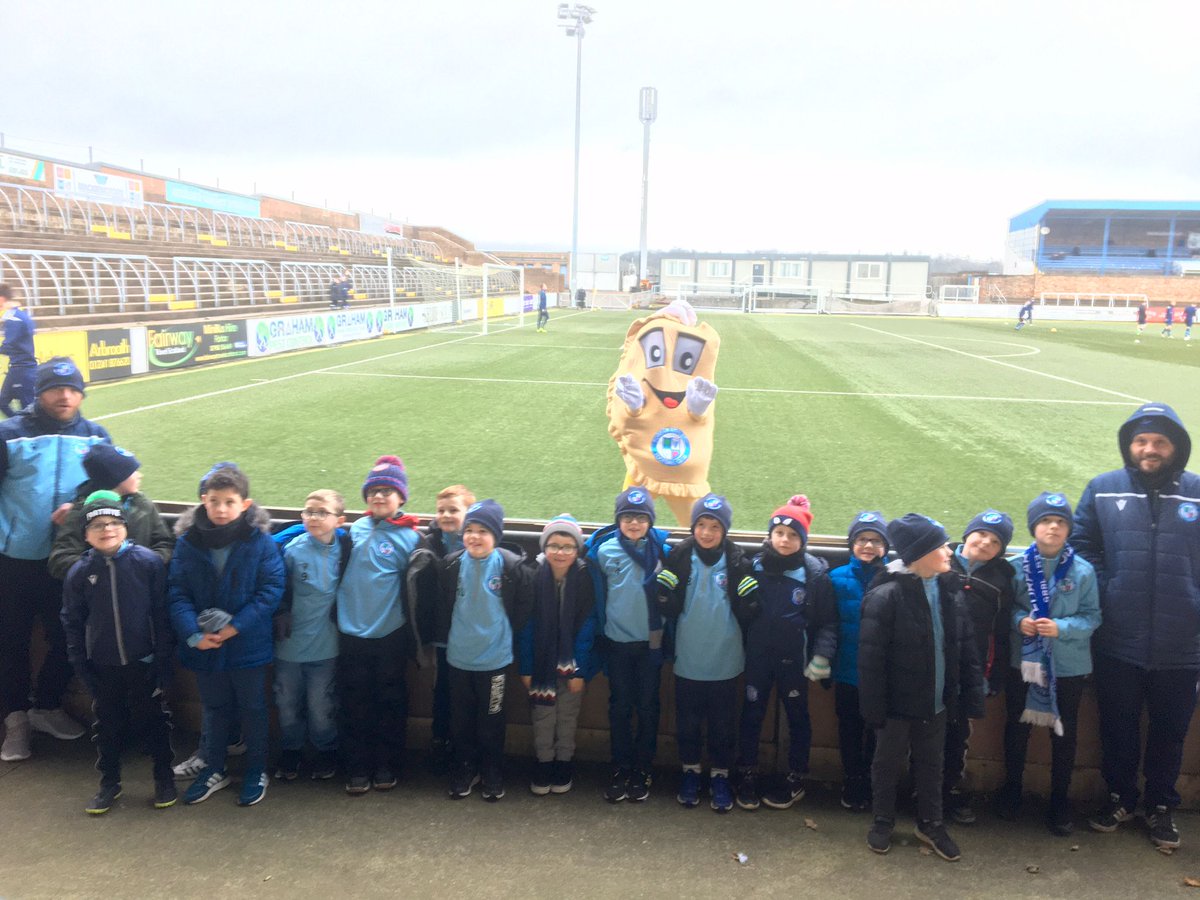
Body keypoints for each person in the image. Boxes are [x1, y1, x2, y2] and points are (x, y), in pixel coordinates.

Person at [1074, 402, 1200, 849]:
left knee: (1170, 731)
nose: (1150, 449)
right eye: (1142, 440)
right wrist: (1110, 587)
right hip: (1118, 639)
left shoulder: (1197, 492)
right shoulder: (1103, 489)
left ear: (1176, 447)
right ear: (1129, 445)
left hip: (1183, 644)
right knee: (1118, 726)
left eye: (1160, 441)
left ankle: (1161, 806)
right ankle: (1119, 797)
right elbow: (1081, 544)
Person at [0, 357, 110, 763]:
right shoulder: (9, 435)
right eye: (55, 388)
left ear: (82, 393)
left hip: (69, 562)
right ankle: (15, 723)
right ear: (38, 392)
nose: (65, 396)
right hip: (13, 560)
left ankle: (45, 706)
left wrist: (80, 509)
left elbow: (110, 496)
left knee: (72, 639)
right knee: (10, 642)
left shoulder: (96, 437)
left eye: (73, 389)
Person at [858, 514, 983, 862]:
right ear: (918, 555)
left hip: (937, 703)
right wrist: (874, 708)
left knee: (932, 764)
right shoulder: (886, 597)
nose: (948, 551)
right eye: (940, 546)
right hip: (897, 705)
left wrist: (970, 694)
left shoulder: (949, 591)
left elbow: (965, 647)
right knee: (886, 762)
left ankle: (931, 823)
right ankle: (883, 820)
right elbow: (871, 660)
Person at [168, 463, 285, 807]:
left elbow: (270, 591)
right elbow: (177, 593)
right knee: (215, 708)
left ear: (244, 505)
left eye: (229, 502)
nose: (221, 509)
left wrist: (235, 627)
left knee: (253, 708)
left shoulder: (260, 542)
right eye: (214, 501)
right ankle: (214, 768)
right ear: (203, 501)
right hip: (204, 646)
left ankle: (256, 770)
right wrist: (193, 634)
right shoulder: (188, 543)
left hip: (247, 643)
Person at [61, 491, 175, 814]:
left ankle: (163, 778)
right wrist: (82, 667)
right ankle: (109, 783)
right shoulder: (79, 573)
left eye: (113, 522)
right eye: (97, 524)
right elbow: (71, 621)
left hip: (144, 661)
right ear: (86, 534)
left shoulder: (148, 563)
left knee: (154, 722)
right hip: (103, 665)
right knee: (107, 726)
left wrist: (163, 662)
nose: (106, 529)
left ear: (125, 527)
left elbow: (162, 616)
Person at [995, 492, 1099, 836]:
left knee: (1064, 734)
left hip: (1067, 666)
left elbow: (1092, 617)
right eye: (1045, 521)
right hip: (1023, 663)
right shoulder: (1015, 567)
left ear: (1069, 529)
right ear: (1033, 527)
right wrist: (1018, 620)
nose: (1053, 527)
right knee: (1017, 727)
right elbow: (1004, 610)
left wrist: (1061, 628)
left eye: (1060, 522)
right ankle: (1012, 790)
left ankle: (1059, 801)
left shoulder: (1083, 572)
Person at [657, 493, 759, 813]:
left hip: (726, 660)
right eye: (701, 524)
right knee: (687, 723)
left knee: (723, 726)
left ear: (725, 530)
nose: (706, 532)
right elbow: (669, 605)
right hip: (689, 657)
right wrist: (663, 594)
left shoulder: (738, 560)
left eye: (714, 526)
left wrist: (751, 600)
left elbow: (748, 609)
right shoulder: (678, 556)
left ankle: (719, 776)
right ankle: (690, 773)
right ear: (693, 527)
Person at [735, 495, 836, 812]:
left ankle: (795, 777)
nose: (785, 539)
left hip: (795, 660)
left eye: (793, 535)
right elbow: (739, 611)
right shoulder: (753, 566)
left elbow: (828, 621)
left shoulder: (815, 575)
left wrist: (821, 656)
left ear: (803, 540)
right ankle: (747, 774)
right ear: (769, 535)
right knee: (752, 715)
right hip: (757, 658)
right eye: (779, 532)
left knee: (798, 718)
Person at [430, 500, 533, 801]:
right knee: (460, 720)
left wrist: (502, 635)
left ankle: (492, 770)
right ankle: (466, 768)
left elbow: (523, 608)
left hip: (495, 661)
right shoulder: (450, 565)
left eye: (483, 531)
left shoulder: (511, 567)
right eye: (469, 530)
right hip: (459, 659)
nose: (474, 537)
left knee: (492, 720)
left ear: (496, 536)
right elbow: (443, 608)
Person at [336, 455, 424, 795]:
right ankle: (357, 766)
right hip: (351, 634)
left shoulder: (411, 539)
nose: (379, 497)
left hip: (389, 634)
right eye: (373, 491)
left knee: (390, 701)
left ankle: (387, 764)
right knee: (354, 701)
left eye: (387, 491)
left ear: (401, 497)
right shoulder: (353, 531)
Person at [583, 487, 671, 803]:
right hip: (618, 643)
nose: (634, 523)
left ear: (650, 520)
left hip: (652, 644)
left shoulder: (663, 551)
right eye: (627, 517)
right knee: (620, 707)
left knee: (648, 708)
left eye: (641, 517)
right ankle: (620, 766)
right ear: (618, 520)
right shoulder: (604, 552)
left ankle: (643, 768)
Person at [943, 509, 1015, 825]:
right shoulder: (941, 563)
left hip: (971, 672)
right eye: (981, 533)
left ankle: (951, 790)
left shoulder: (1002, 580)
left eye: (995, 540)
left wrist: (994, 674)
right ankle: (922, 789)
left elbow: (1000, 633)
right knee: (924, 731)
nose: (985, 542)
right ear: (967, 533)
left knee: (958, 735)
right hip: (932, 666)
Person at [273, 489, 349, 783]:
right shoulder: (292, 550)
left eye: (322, 512)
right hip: (289, 646)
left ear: (339, 520)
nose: (314, 517)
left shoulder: (346, 550)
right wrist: (280, 613)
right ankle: (291, 750)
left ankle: (325, 750)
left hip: (326, 647)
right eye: (308, 512)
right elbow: (276, 589)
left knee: (322, 706)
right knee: (287, 704)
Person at [517, 514, 595, 795]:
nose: (560, 552)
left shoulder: (585, 579)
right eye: (553, 545)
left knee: (567, 716)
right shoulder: (532, 577)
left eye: (567, 546)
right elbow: (525, 629)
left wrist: (579, 671)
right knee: (543, 716)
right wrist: (526, 668)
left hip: (571, 666)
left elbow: (587, 631)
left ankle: (563, 761)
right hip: (540, 664)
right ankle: (543, 762)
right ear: (543, 548)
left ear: (577, 550)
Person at [830, 512, 889, 812]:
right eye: (862, 539)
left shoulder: (894, 579)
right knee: (849, 729)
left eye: (876, 540)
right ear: (852, 543)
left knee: (877, 733)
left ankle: (871, 780)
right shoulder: (836, 578)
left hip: (881, 677)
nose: (868, 545)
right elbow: (827, 625)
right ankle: (853, 779)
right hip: (846, 672)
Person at [48, 443, 174, 581]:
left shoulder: (143, 504)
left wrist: (147, 564)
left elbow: (164, 542)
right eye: (133, 471)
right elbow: (60, 560)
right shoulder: (81, 511)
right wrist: (105, 569)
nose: (140, 475)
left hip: (140, 587)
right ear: (116, 478)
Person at [420, 484, 475, 774]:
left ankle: (466, 746)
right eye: (441, 510)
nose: (446, 515)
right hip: (442, 635)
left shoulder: (479, 543)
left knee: (467, 692)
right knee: (443, 690)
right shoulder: (429, 543)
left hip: (472, 636)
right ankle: (441, 741)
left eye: (454, 510)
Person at [0, 284, 36, 418]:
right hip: (17, 368)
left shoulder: (14, 318)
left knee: (28, 409)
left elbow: (9, 344)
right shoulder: (19, 314)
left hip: (22, 370)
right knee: (2, 402)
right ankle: (20, 426)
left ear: (2, 299)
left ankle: (29, 432)